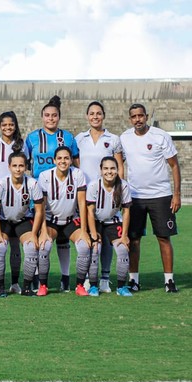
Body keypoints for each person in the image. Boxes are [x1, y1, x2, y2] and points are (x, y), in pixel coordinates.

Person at [120, 103, 181, 293]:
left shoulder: (160, 136)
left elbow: (174, 165)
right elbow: (118, 162)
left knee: (163, 238)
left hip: (161, 196)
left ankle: (169, 281)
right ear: (130, 119)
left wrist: (176, 194)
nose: (137, 119)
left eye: (140, 115)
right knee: (134, 240)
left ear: (146, 116)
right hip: (135, 197)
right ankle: (134, 281)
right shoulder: (124, 138)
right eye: (134, 116)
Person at [25, 95, 80, 292]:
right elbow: (23, 163)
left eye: (54, 115)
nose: (51, 119)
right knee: (41, 236)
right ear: (42, 117)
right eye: (47, 115)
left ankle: (65, 277)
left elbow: (76, 164)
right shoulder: (32, 138)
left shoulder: (67, 137)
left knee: (63, 239)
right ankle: (39, 278)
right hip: (39, 194)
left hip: (64, 194)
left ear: (59, 117)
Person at [74, 101, 124, 293]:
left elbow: (119, 167)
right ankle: (88, 277)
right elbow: (77, 166)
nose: (95, 116)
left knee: (106, 236)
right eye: (92, 113)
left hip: (108, 195)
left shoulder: (113, 139)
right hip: (86, 196)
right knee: (90, 238)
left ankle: (104, 278)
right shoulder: (80, 138)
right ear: (87, 116)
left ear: (103, 116)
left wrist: (118, 192)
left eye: (99, 113)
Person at [0, 146, 45, 296]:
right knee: (0, 248)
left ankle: (25, 286)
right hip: (4, 221)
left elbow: (40, 210)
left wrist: (34, 234)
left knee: (31, 248)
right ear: (9, 167)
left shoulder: (33, 184)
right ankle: (0, 286)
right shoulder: (1, 184)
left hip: (23, 220)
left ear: (26, 167)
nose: (18, 169)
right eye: (14, 166)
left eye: (21, 165)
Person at [37, 146, 90, 296]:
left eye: (66, 158)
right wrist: (42, 231)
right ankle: (43, 285)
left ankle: (79, 285)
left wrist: (84, 231)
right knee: (44, 246)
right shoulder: (45, 176)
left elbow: (82, 203)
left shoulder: (78, 174)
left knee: (84, 246)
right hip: (50, 221)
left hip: (70, 220)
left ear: (71, 160)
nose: (63, 161)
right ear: (54, 160)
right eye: (59, 158)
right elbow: (41, 206)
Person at [0, 111, 26, 294]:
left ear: (15, 126)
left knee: (15, 244)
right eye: (4, 125)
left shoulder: (21, 144)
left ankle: (16, 282)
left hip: (17, 199)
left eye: (11, 124)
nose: (8, 127)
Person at [85, 157, 132, 297]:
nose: (109, 171)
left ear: (117, 170)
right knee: (95, 248)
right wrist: (93, 232)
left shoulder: (123, 186)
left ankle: (121, 286)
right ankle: (93, 285)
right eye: (106, 168)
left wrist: (124, 236)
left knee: (123, 249)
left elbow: (126, 211)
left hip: (114, 221)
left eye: (112, 168)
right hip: (96, 221)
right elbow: (90, 211)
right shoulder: (94, 185)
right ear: (101, 170)